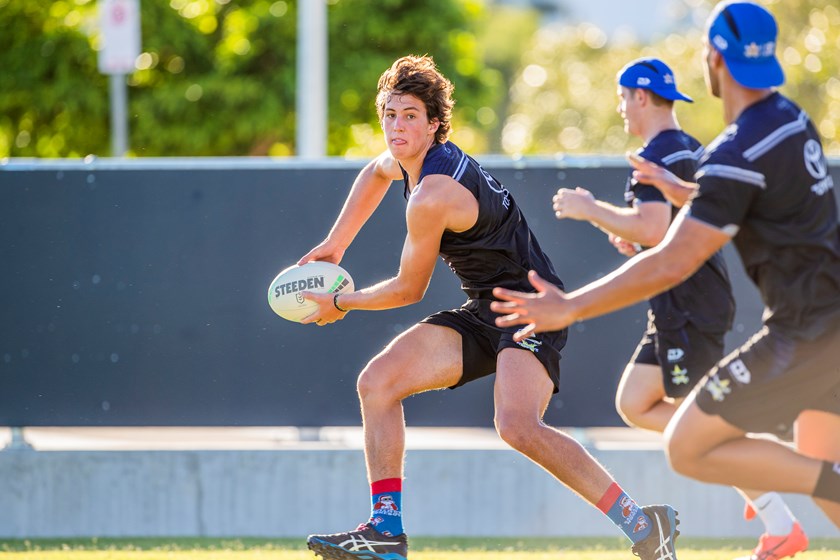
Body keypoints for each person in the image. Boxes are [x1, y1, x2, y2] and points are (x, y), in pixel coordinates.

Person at [299, 54, 680, 560]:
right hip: (483, 308)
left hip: (531, 306)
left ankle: (643, 523)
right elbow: (374, 172)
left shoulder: (432, 193)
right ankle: (385, 531)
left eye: (410, 115)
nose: (396, 126)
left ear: (434, 124)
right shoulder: (408, 160)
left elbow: (408, 290)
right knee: (378, 382)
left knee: (517, 425)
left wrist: (340, 301)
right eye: (389, 114)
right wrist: (336, 245)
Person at [491, 0, 840, 545]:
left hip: (806, 331)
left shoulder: (733, 151)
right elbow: (747, 198)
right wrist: (684, 193)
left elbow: (672, 257)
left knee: (687, 445)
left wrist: (570, 305)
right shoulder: (792, 122)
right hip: (829, 325)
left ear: (714, 62)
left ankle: (817, 493)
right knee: (815, 461)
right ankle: (816, 491)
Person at [552, 56, 808, 558]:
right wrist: (639, 240)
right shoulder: (690, 147)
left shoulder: (660, 152)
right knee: (635, 401)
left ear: (641, 97)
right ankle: (746, 460)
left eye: (624, 98)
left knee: (703, 424)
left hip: (690, 307)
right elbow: (668, 230)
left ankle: (776, 515)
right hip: (683, 306)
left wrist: (589, 210)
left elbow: (651, 226)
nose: (623, 109)